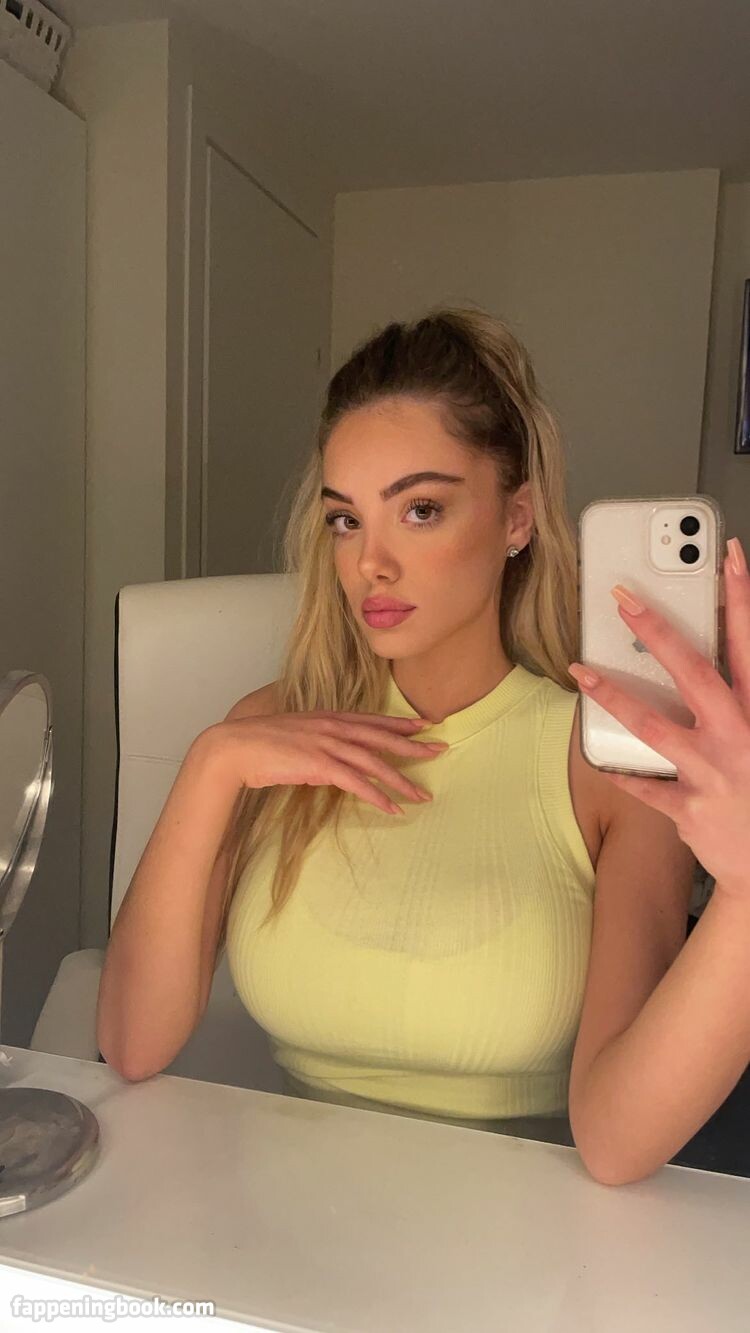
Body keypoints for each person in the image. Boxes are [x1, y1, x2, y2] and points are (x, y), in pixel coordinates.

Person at [96, 308, 750, 1186]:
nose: (371, 562)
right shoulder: (267, 734)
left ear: (517, 518)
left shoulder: (606, 765)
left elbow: (617, 1140)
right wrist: (211, 766)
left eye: (421, 509)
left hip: (525, 1244)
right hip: (275, 1228)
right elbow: (132, 1042)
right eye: (346, 520)